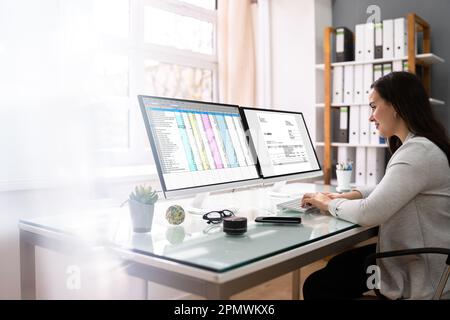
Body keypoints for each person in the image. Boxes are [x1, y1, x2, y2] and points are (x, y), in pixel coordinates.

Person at [301, 71, 450, 300]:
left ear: (396, 106)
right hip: (418, 259)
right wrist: (350, 195)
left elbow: (368, 213)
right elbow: (389, 187)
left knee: (318, 284)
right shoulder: (422, 146)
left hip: (420, 272)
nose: (371, 117)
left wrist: (327, 204)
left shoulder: (418, 152)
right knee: (338, 266)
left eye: (373, 106)